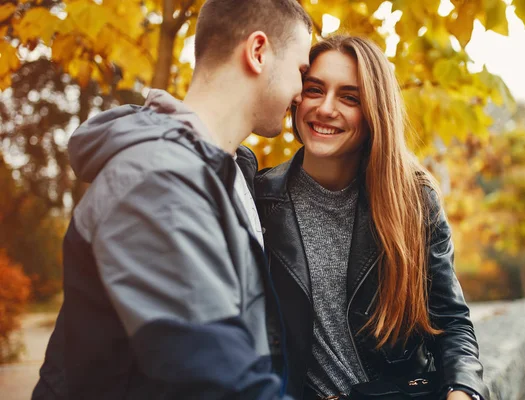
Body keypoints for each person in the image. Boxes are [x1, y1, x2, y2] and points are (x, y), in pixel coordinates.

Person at [32, 1, 312, 399]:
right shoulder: (154, 178)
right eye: (300, 72)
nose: (301, 94)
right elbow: (212, 379)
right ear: (258, 52)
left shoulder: (231, 174)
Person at [255, 35, 490, 400]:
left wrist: (462, 390)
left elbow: (451, 323)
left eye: (350, 97)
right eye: (315, 90)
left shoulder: (413, 200)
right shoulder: (261, 199)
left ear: (374, 111)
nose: (326, 108)